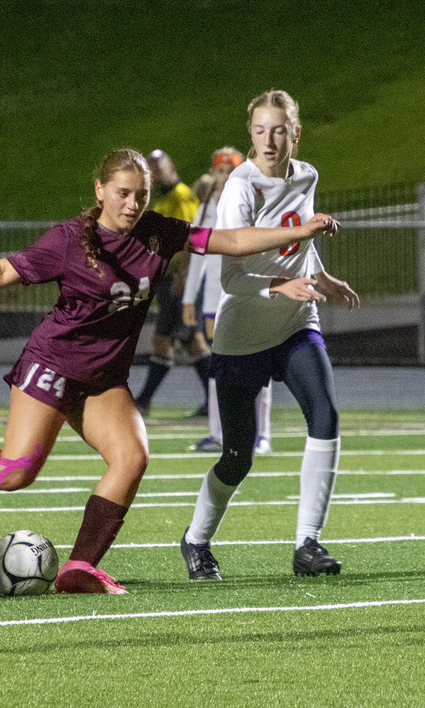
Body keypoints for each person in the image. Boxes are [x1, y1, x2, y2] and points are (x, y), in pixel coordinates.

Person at [0, 147, 340, 595]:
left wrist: (296, 232)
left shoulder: (158, 232)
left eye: (141, 195)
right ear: (100, 191)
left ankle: (79, 566)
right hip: (52, 365)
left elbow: (233, 240)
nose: (132, 204)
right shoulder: (68, 240)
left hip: (103, 379)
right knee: (13, 474)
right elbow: (5, 271)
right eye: (123, 193)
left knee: (131, 458)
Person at [180, 89, 360, 581]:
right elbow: (232, 279)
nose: (268, 140)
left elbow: (301, 248)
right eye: (259, 130)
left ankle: (308, 543)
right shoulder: (241, 186)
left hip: (296, 324)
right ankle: (196, 541)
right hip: (243, 332)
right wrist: (284, 284)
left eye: (278, 130)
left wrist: (322, 279)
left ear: (295, 134)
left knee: (325, 414)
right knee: (237, 457)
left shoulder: (307, 175)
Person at [182, 147, 274, 454]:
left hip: (245, 291)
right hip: (213, 296)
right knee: (218, 362)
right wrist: (188, 298)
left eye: (229, 171)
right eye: (219, 171)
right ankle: (217, 433)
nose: (222, 177)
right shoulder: (205, 205)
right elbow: (197, 255)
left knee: (256, 359)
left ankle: (261, 435)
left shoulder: (250, 202)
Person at [134, 149, 211, 417]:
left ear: (173, 170)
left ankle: (143, 401)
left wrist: (184, 277)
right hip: (170, 280)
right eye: (151, 170)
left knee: (182, 337)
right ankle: (145, 401)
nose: (154, 174)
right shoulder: (163, 200)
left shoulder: (180, 195)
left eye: (159, 168)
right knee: (177, 340)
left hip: (182, 280)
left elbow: (194, 237)